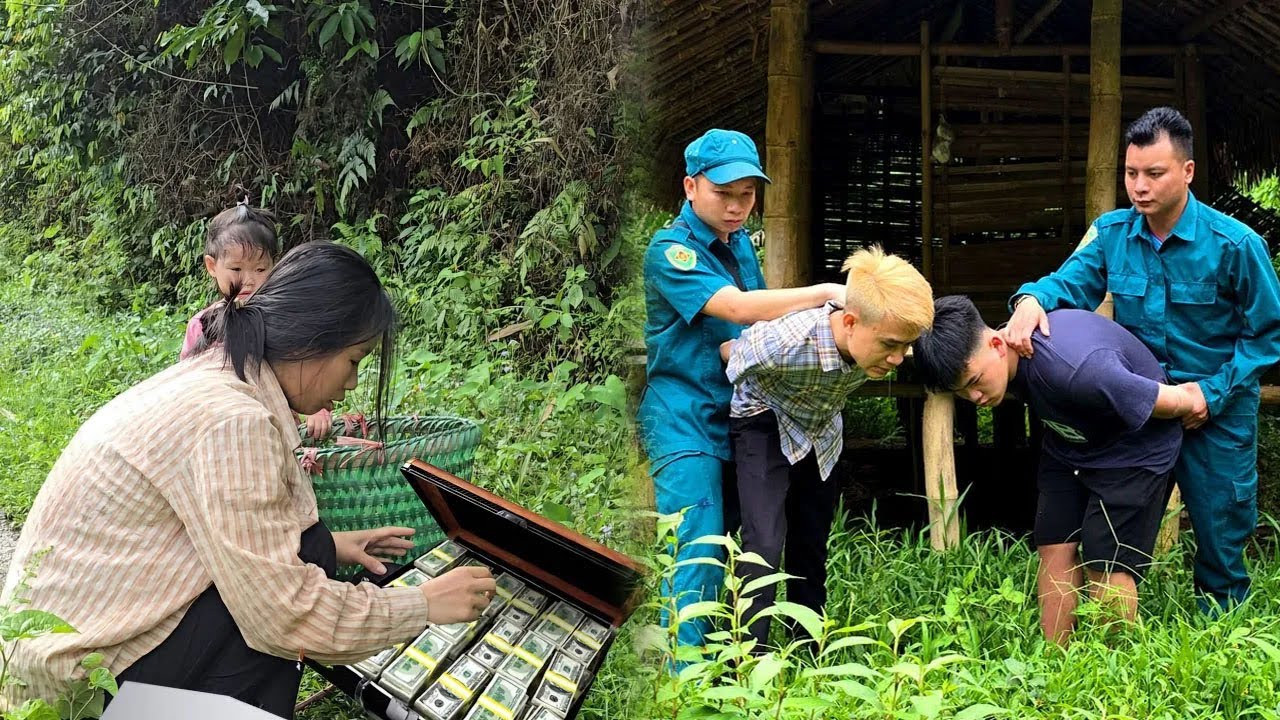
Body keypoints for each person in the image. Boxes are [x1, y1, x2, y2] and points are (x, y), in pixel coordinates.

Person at [0, 242, 497, 717]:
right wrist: (421, 604)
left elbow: (234, 529)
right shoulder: (234, 419)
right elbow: (281, 615)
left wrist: (333, 546)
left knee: (310, 549)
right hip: (80, 678)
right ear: (313, 340)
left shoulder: (224, 371)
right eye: (353, 362)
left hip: (68, 636)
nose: (350, 384)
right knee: (269, 625)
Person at [1005, 106, 1280, 613]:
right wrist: (1031, 301)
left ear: (1187, 171)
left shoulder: (1237, 245)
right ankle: (1116, 632)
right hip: (1140, 409)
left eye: (1154, 173)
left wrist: (1211, 392)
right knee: (1118, 532)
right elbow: (1067, 284)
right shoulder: (1111, 234)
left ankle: (1221, 642)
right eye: (1132, 173)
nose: (1140, 186)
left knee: (1221, 535)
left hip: (1216, 413)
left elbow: (1268, 336)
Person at [638, 128, 846, 654]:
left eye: (747, 195)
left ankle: (727, 667)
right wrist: (825, 293)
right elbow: (736, 309)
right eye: (723, 193)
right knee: (700, 553)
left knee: (745, 546)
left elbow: (752, 337)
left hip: (741, 417)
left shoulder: (742, 248)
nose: (736, 207)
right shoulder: (670, 251)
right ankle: (686, 678)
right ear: (690, 187)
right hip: (685, 420)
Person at [916, 296, 1198, 643]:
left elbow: (1164, 399)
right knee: (1053, 543)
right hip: (1071, 444)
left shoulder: (1077, 369)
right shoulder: (1008, 360)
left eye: (974, 380)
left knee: (1105, 561)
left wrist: (1197, 399)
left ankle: (1113, 667)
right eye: (961, 391)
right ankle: (1055, 658)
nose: (974, 397)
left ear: (995, 344)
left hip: (1135, 450)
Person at [723, 246, 933, 650]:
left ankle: (808, 650)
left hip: (822, 430)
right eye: (890, 344)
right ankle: (747, 661)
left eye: (906, 346)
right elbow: (731, 358)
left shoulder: (880, 336)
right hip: (765, 419)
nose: (897, 358)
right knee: (764, 543)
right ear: (849, 322)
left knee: (811, 540)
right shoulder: (784, 341)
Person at [180, 196, 331, 439]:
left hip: (278, 431)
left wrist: (317, 408)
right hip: (222, 430)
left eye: (260, 269)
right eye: (236, 269)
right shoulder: (202, 325)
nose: (248, 279)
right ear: (212, 266)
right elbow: (190, 388)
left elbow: (307, 366)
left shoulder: (283, 317)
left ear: (275, 266)